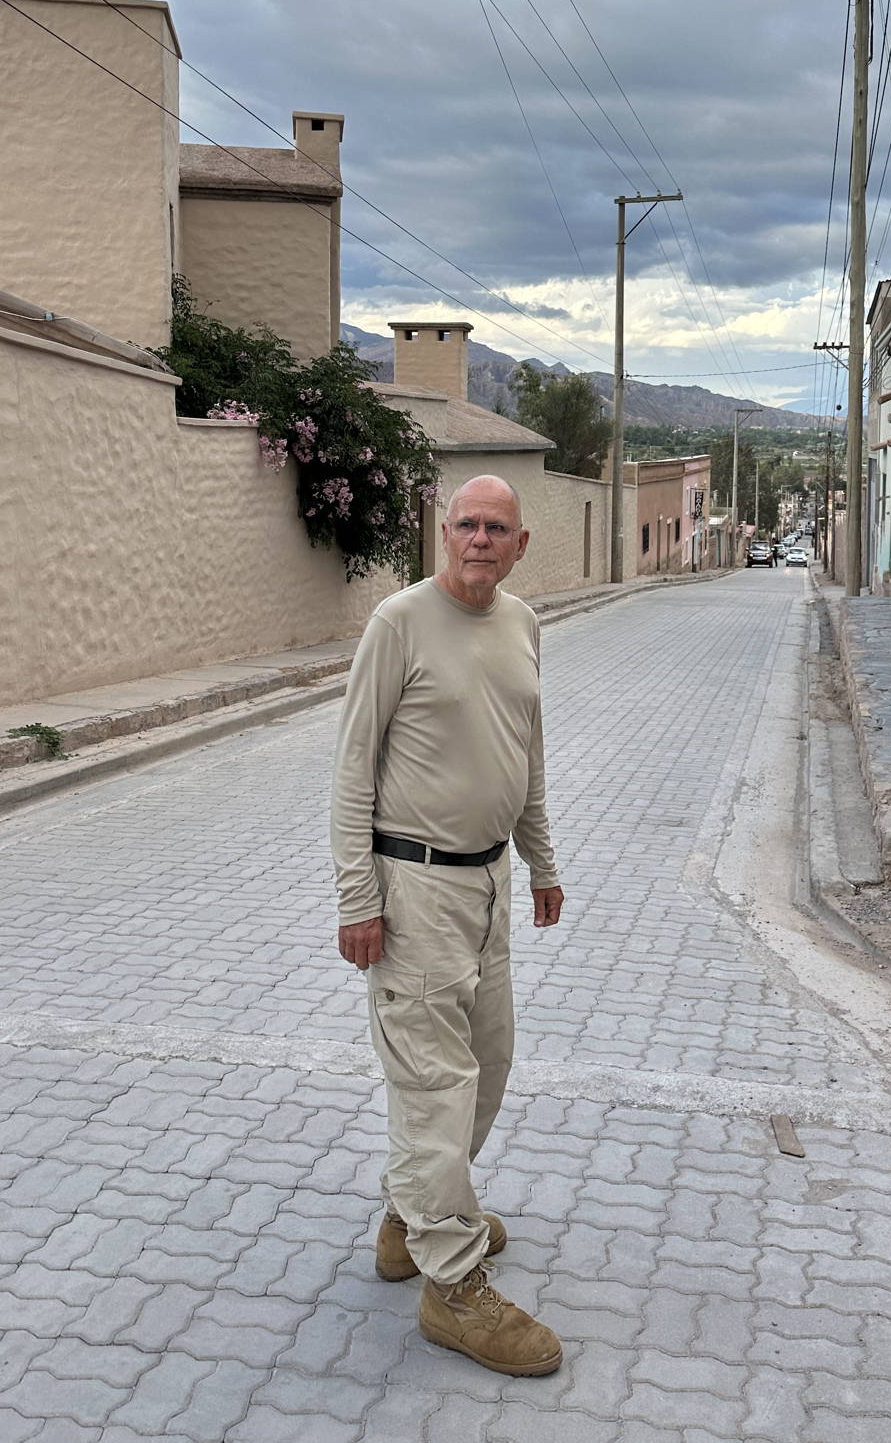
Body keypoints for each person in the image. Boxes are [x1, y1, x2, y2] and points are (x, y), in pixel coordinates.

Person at [331, 474, 566, 1378]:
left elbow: (525, 756)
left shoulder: (523, 624)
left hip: (489, 883)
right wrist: (358, 898)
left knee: (488, 1064)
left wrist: (542, 863)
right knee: (435, 1085)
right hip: (413, 888)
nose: (479, 539)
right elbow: (352, 768)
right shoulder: (398, 623)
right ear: (443, 533)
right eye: (465, 524)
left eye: (496, 528)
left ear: (520, 543)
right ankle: (453, 1286)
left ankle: (413, 1221)